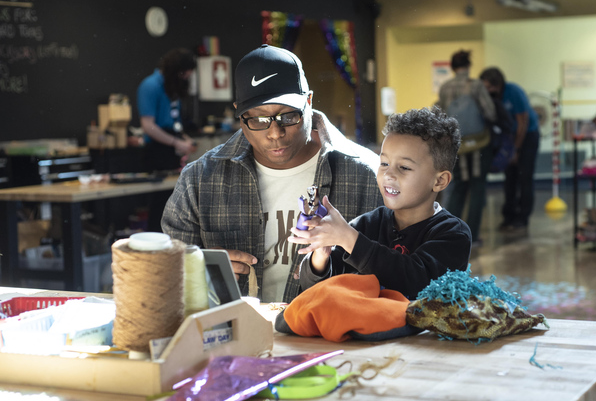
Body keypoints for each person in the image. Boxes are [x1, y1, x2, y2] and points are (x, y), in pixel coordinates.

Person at [162, 44, 383, 303]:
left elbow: (397, 276)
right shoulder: (199, 180)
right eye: (257, 120)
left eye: (288, 117)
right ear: (239, 112)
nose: (275, 133)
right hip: (231, 337)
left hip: (332, 338)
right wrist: (196, 271)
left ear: (309, 102)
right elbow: (164, 276)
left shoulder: (367, 175)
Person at [289, 106, 471, 300]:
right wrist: (321, 255)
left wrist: (350, 239)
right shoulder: (367, 224)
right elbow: (314, 288)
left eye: (404, 167)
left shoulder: (453, 234)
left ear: (439, 181)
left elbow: (417, 282)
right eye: (384, 163)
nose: (388, 174)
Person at [438, 50, 497, 244]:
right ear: (469, 66)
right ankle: (473, 235)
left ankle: (451, 233)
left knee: (459, 188)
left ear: (453, 67)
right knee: (478, 188)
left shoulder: (445, 88)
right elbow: (490, 112)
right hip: (479, 143)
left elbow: (443, 117)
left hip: (458, 144)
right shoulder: (476, 85)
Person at [137, 48, 199, 231]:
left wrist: (184, 139)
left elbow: (174, 121)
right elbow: (148, 126)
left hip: (172, 151)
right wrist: (176, 142)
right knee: (160, 206)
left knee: (176, 204)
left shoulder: (173, 87)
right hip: (156, 153)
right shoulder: (150, 86)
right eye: (184, 74)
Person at [479, 67, 540, 237]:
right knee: (510, 178)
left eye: (490, 87)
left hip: (527, 136)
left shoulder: (514, 92)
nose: (488, 91)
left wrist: (516, 150)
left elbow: (523, 122)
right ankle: (508, 217)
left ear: (498, 84)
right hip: (509, 137)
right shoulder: (491, 97)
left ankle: (522, 218)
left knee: (524, 176)